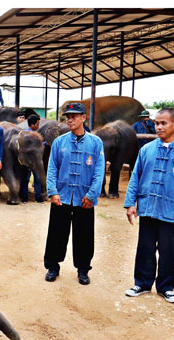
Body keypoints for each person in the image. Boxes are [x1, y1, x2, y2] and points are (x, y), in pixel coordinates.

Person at [124, 108, 174, 303]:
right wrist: (130, 203)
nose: (158, 127)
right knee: (145, 247)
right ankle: (141, 283)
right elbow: (135, 178)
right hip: (148, 207)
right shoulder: (146, 150)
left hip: (171, 211)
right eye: (157, 123)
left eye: (163, 123)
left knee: (168, 249)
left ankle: (166, 287)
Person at [44, 103, 105, 285]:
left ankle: (83, 269)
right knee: (56, 233)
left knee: (84, 234)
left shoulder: (95, 143)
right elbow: (52, 168)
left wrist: (92, 195)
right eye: (68, 117)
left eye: (74, 116)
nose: (70, 120)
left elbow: (99, 171)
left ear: (83, 118)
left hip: (84, 198)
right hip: (62, 196)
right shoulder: (59, 142)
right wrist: (53, 191)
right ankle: (52, 266)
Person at [20, 114, 44, 203]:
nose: (38, 126)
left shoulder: (31, 134)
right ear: (32, 125)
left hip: (33, 161)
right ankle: (28, 197)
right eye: (37, 124)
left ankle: (32, 198)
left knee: (34, 178)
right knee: (28, 178)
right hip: (29, 161)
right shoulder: (26, 134)